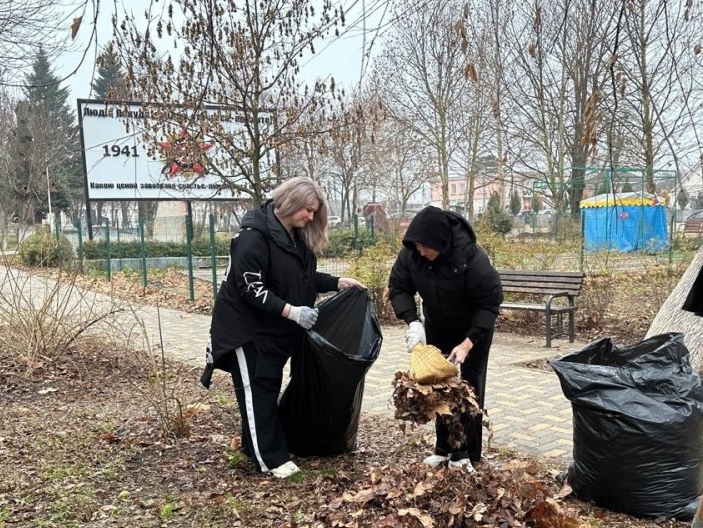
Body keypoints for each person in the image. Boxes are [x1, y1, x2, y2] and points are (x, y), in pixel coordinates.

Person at [202, 177, 364, 479]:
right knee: (257, 393)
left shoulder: (293, 236)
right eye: (308, 210)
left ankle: (255, 449)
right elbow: (251, 288)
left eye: (315, 212)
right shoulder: (253, 238)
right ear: (290, 204)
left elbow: (301, 277)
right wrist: (293, 312)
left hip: (275, 331)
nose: (311, 217)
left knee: (267, 388)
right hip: (246, 332)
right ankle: (271, 460)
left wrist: (336, 283)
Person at [388, 205, 503, 472]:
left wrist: (467, 343)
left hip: (473, 329)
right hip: (438, 325)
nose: (421, 251)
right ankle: (444, 448)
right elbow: (398, 287)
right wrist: (413, 321)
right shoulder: (412, 255)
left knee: (468, 389)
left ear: (441, 242)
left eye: (426, 246)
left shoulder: (471, 258)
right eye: (416, 245)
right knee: (438, 384)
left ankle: (466, 454)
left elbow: (490, 303)